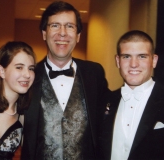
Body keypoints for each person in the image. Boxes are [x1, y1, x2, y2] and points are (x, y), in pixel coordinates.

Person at [21, 1, 109, 160]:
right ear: (44, 33)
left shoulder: (94, 74)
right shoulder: (27, 77)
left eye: (70, 26)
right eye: (55, 25)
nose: (62, 33)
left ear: (78, 36)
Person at [99, 30, 164, 160]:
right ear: (118, 61)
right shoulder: (105, 101)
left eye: (142, 56)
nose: (133, 64)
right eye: (126, 56)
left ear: (154, 60)